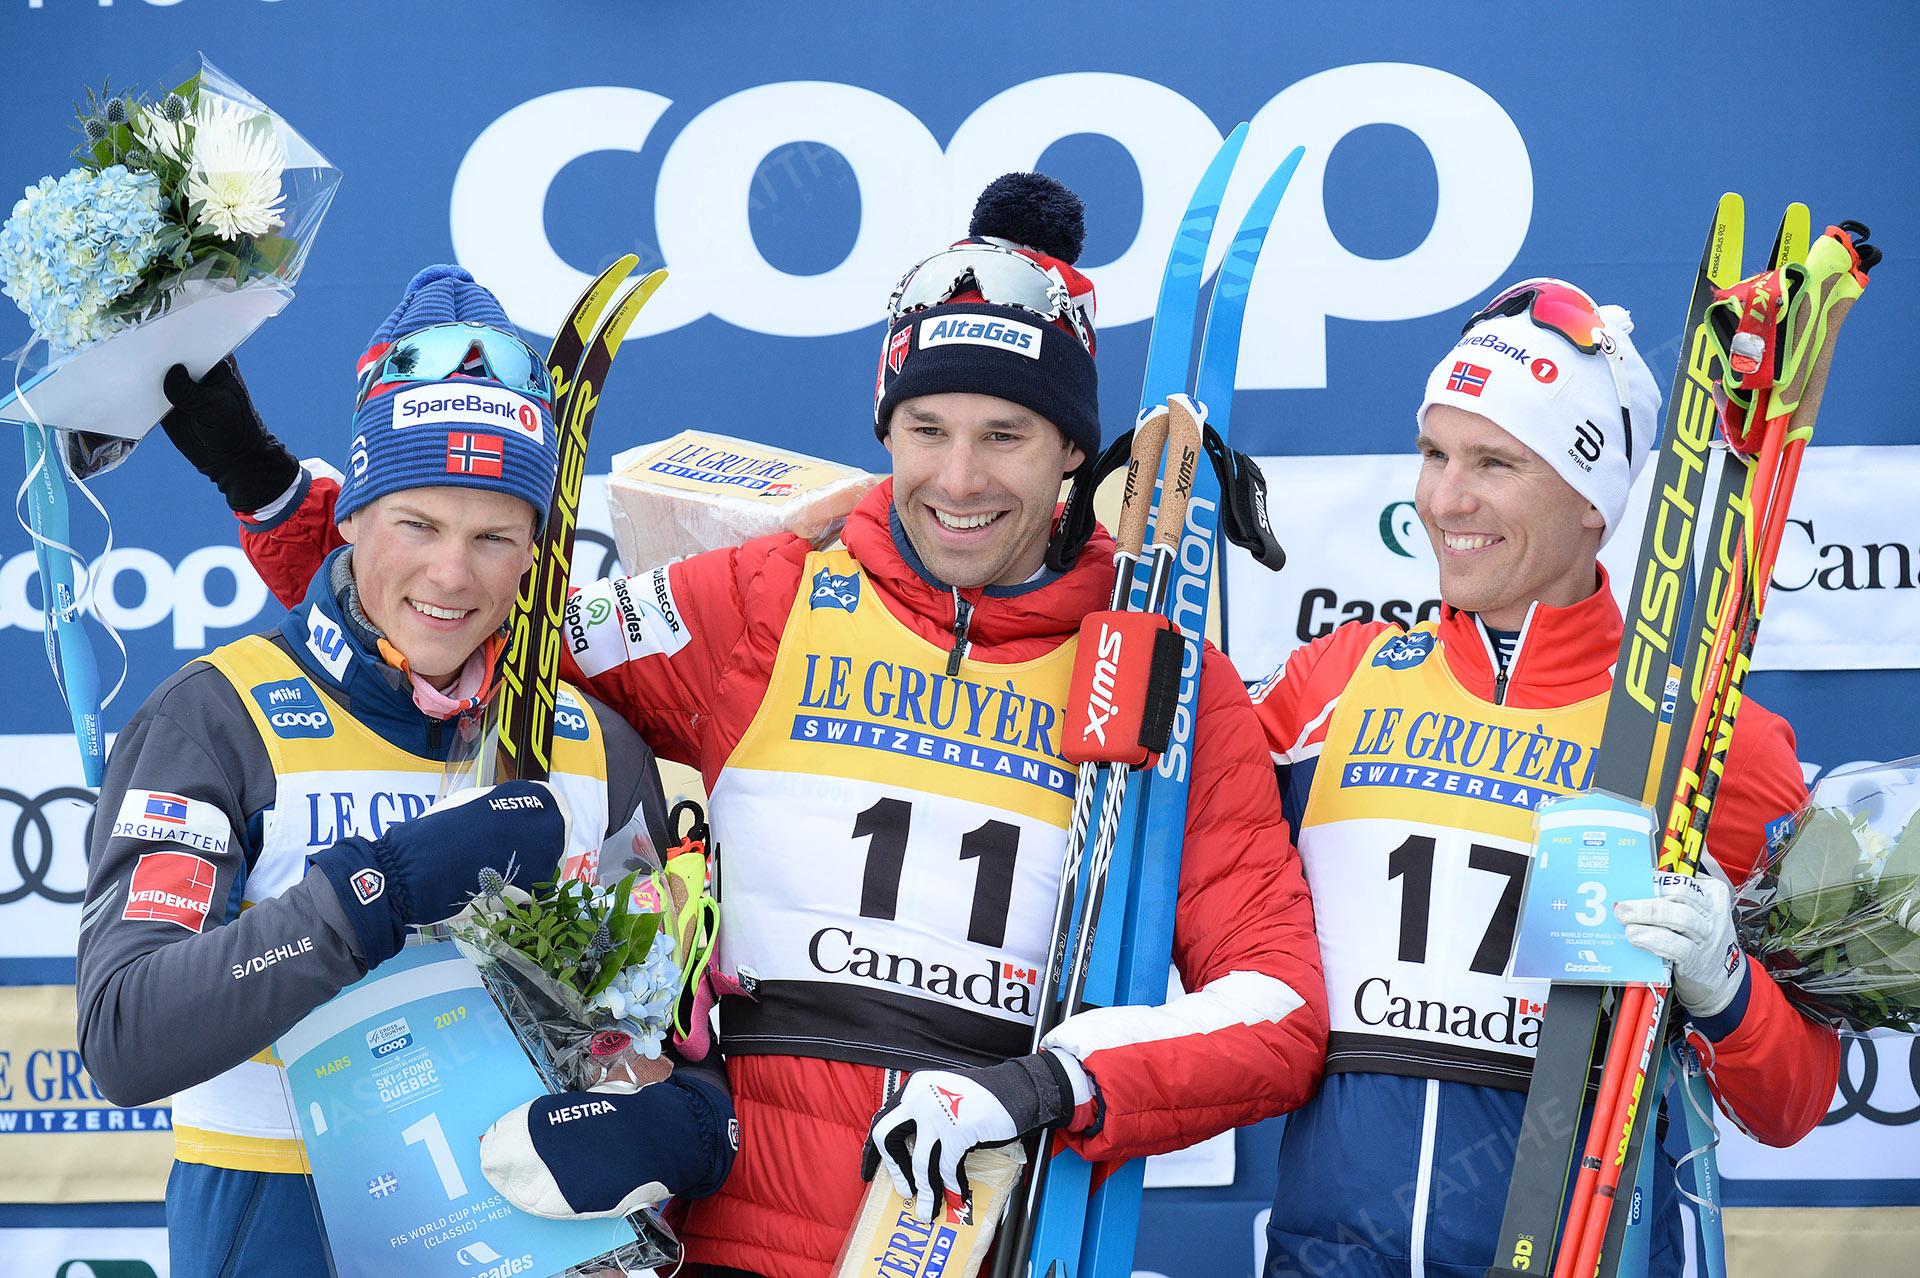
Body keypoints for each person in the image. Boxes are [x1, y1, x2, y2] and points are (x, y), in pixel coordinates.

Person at [163, 174, 1331, 1278]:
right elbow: (462, 627)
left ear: (1074, 449)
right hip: (736, 1216)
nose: (960, 478)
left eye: (1007, 437)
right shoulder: (762, 600)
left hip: (980, 1211)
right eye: (927, 429)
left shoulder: (1170, 681)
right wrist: (268, 486)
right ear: (886, 427)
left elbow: (1277, 1013)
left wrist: (1045, 1086)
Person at [78, 265, 736, 1278]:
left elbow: (673, 1041)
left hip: (537, 1240)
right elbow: (129, 1034)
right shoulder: (221, 716)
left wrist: (680, 1129)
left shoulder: (596, 746)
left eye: (493, 537)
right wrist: (369, 892)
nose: (450, 575)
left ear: (539, 553)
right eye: (417, 524)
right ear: (350, 516)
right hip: (281, 1234)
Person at [1248, 279, 1840, 1277]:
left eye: (1494, 462)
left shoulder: (1705, 739)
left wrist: (1723, 988)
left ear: (1589, 506)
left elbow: (1792, 1103)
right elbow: (1176, 871)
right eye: (1435, 453)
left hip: (1591, 1253)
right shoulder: (1327, 690)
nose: (1445, 499)